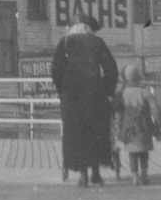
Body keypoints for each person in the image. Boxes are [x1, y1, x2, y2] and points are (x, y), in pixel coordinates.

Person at [50, 13, 119, 187]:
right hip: (95, 95)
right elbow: (111, 68)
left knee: (77, 134)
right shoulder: (97, 42)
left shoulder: (64, 43)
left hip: (72, 97)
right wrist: (107, 90)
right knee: (96, 133)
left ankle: (83, 175)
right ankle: (96, 173)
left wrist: (62, 90)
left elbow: (56, 70)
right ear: (89, 28)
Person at [114, 63, 161, 185]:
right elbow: (155, 108)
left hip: (128, 128)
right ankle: (144, 175)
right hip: (144, 126)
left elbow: (119, 112)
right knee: (144, 152)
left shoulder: (122, 93)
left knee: (132, 153)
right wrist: (156, 122)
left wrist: (119, 128)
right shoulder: (145, 91)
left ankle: (134, 176)